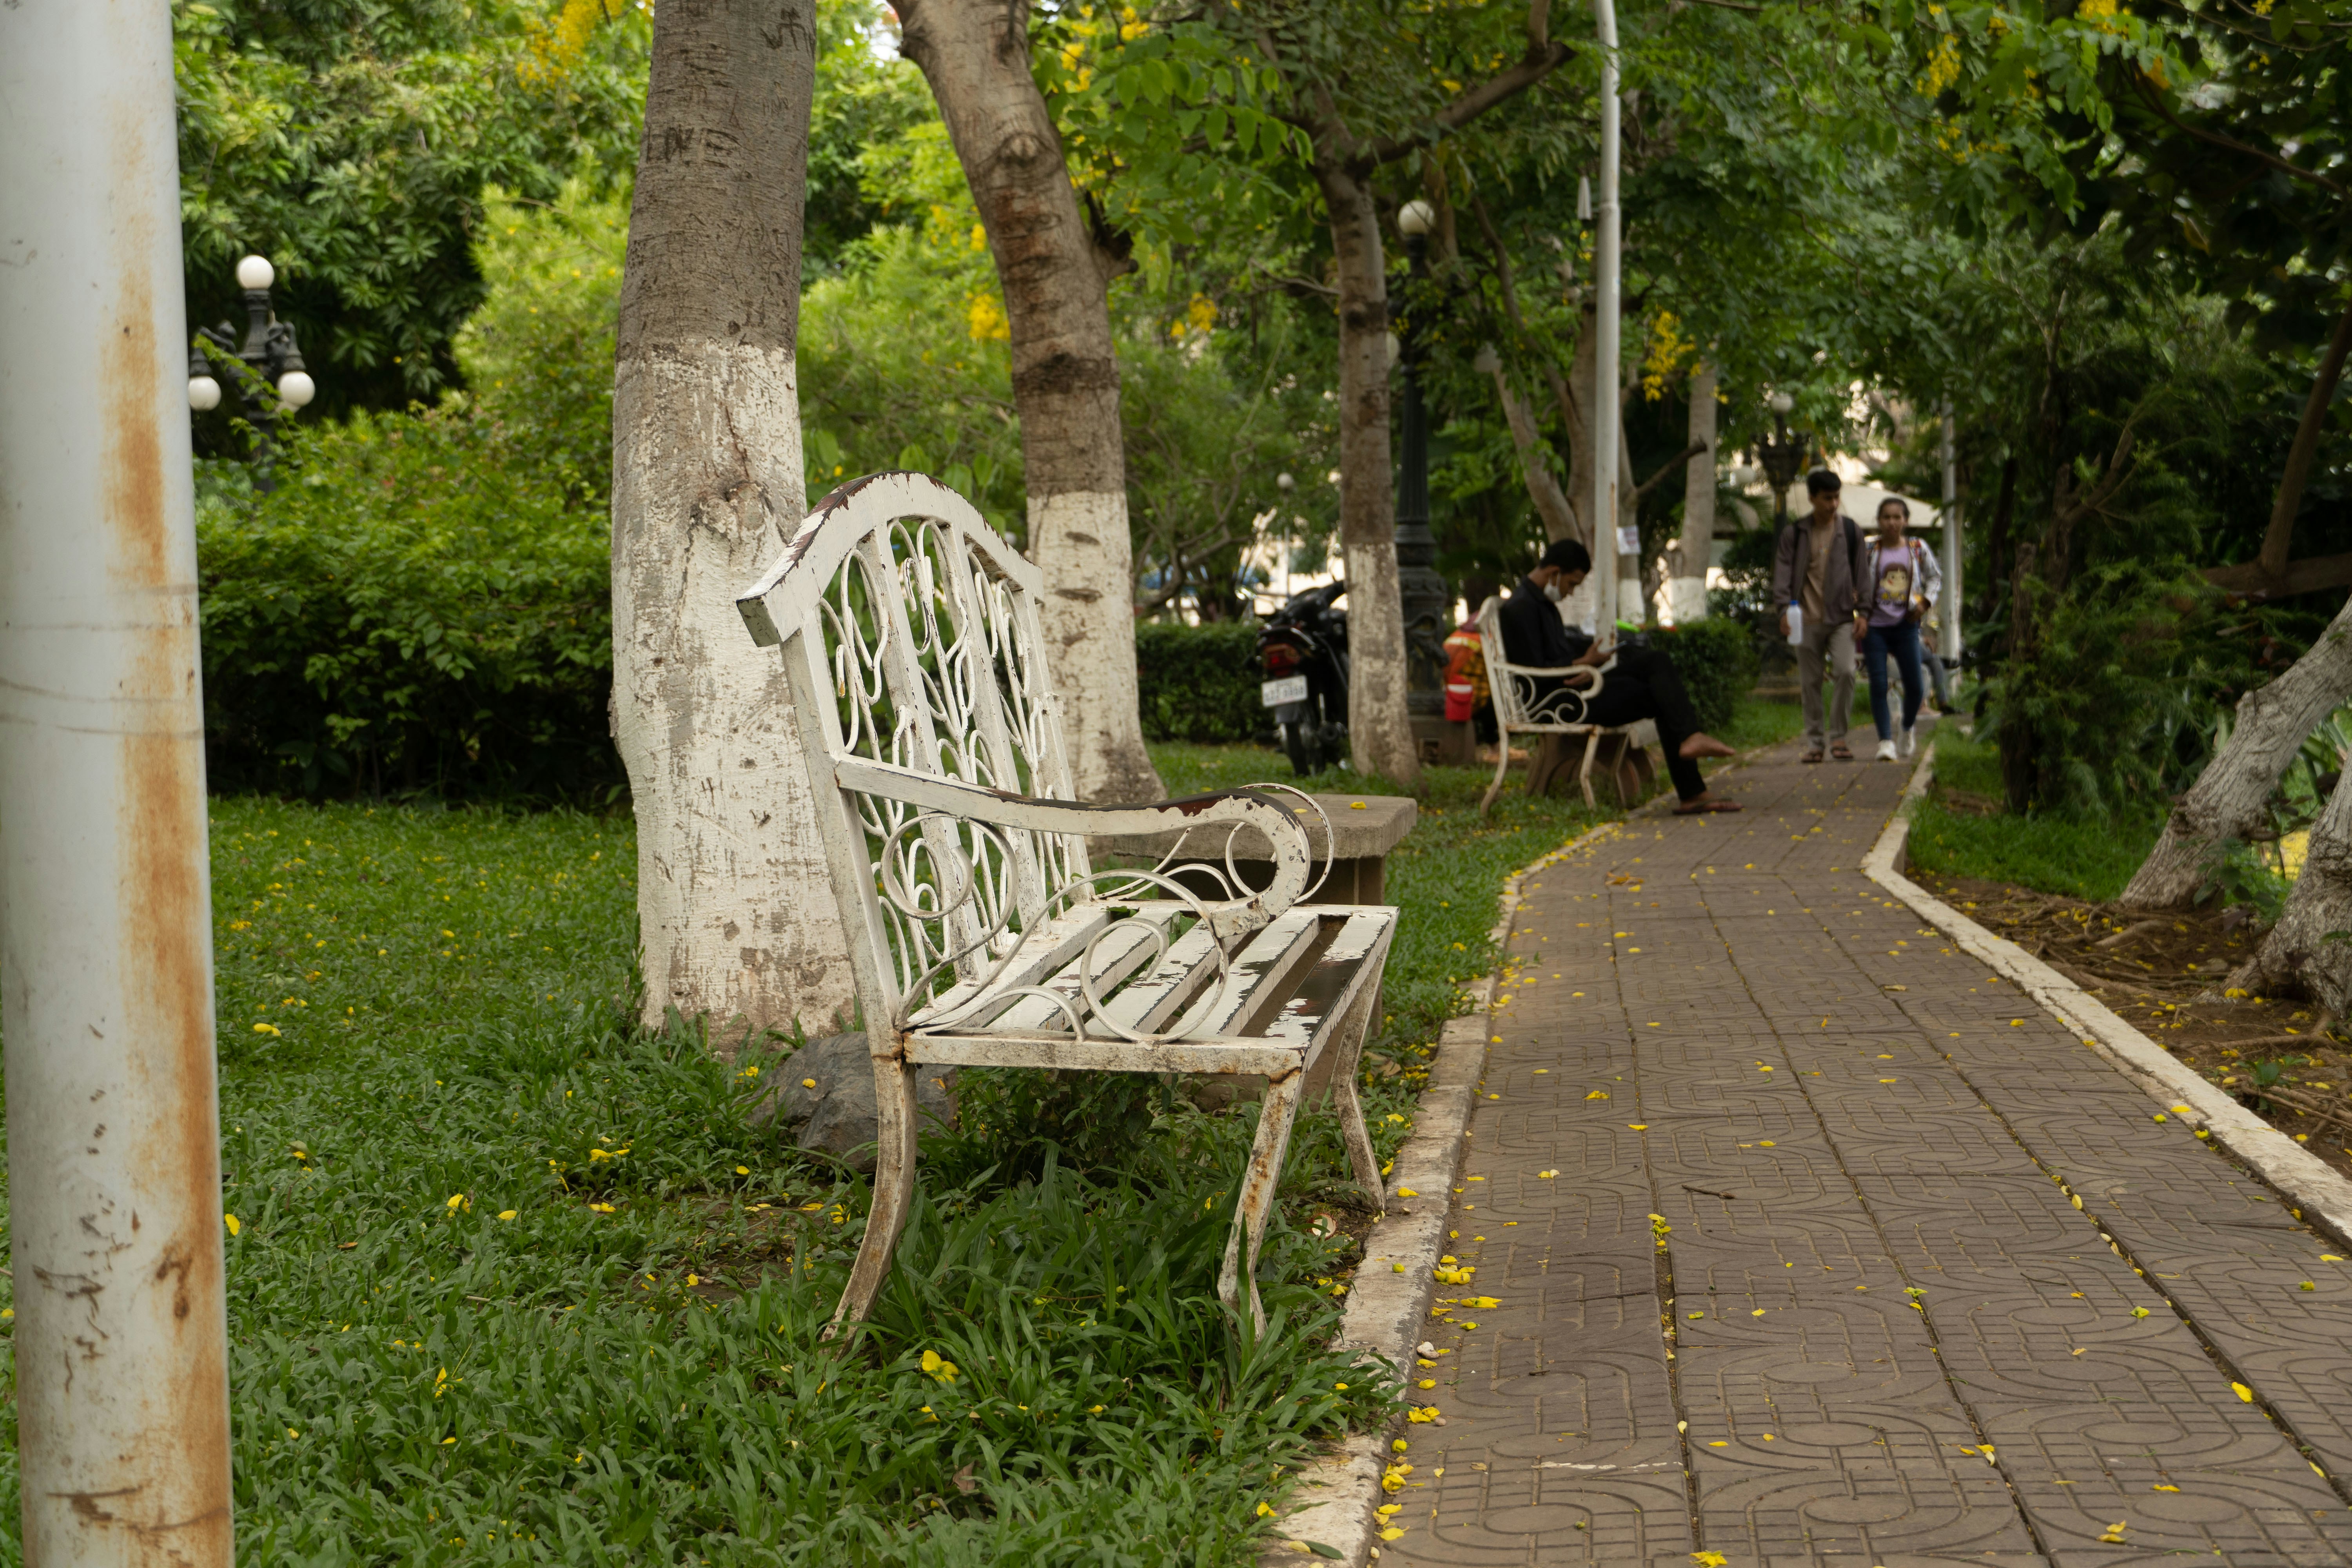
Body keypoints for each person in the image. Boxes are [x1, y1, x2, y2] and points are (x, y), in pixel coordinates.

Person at [1497, 538, 1741, 814]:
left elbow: (1555, 657)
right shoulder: (1521, 608)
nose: (1571, 592)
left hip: (1573, 689)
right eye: (1572, 584)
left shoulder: (1543, 605)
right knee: (1658, 695)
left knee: (1655, 662)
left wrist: (1588, 660)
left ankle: (1691, 741)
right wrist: (1581, 663)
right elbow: (1536, 673)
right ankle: (1692, 787)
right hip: (1558, 704)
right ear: (1554, 572)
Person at [1770, 470, 1869, 763]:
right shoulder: (1796, 533)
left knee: (1846, 672)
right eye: (1827, 498)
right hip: (1805, 619)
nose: (1833, 504)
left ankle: (1839, 738)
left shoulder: (1851, 531)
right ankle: (1815, 742)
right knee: (1810, 682)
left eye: (1837, 497)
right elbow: (1783, 574)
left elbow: (1863, 575)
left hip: (1842, 619)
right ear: (1812, 498)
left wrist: (1863, 612)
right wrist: (1783, 610)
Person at [1860, 495, 1942, 759]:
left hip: (1907, 626)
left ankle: (1907, 727)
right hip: (1875, 627)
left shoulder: (1917, 548)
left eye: (1897, 517)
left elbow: (1934, 578)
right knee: (1879, 684)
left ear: (1906, 520)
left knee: (1916, 685)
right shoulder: (1870, 549)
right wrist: (1858, 612)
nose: (1892, 522)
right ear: (1879, 521)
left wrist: (1923, 603)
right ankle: (1885, 741)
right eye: (1887, 517)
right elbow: (1856, 581)